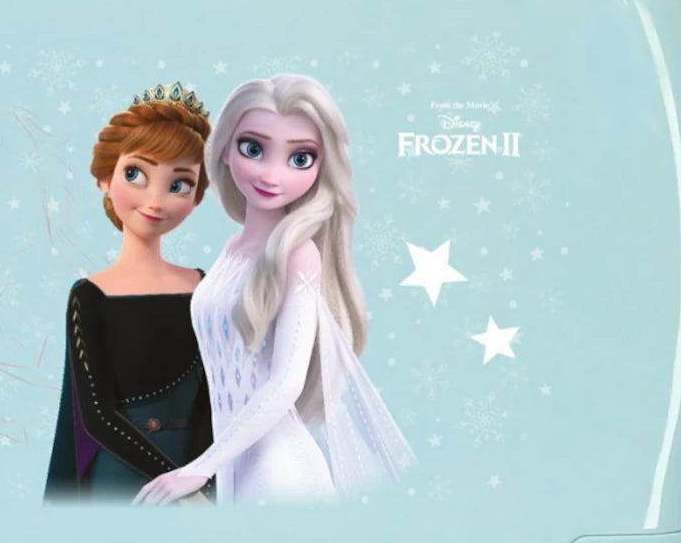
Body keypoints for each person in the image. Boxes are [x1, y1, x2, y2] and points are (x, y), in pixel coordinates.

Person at [134, 74, 415, 507]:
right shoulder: (232, 250)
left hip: (277, 471)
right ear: (224, 149)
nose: (272, 174)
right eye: (253, 149)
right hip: (233, 464)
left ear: (321, 169)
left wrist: (199, 467)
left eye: (300, 158)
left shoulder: (297, 254)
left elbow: (285, 382)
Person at [44, 82, 216, 503]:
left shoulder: (205, 286)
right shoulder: (90, 296)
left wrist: (203, 480)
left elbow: (216, 397)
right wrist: (177, 482)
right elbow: (96, 416)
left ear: (196, 197)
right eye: (135, 174)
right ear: (105, 178)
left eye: (179, 184)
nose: (155, 201)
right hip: (121, 475)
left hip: (197, 470)